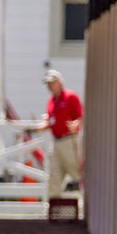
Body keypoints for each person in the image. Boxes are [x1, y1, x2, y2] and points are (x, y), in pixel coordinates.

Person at [35, 68, 83, 201]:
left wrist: (76, 124)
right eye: (48, 83)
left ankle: (82, 204)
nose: (50, 86)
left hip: (69, 140)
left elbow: (80, 116)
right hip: (55, 141)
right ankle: (53, 207)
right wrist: (34, 129)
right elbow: (51, 122)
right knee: (54, 174)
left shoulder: (70, 96)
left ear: (60, 82)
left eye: (53, 82)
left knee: (76, 173)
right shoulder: (51, 101)